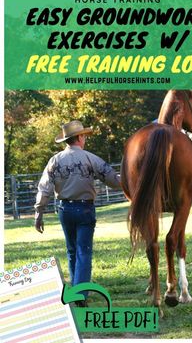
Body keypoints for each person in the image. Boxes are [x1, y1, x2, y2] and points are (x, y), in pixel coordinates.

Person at [34, 120, 121, 306]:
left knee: (72, 250)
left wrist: (38, 212)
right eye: (84, 136)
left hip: (65, 209)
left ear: (66, 140)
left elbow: (44, 188)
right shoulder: (91, 159)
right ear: (80, 137)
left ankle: (75, 288)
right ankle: (80, 294)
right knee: (84, 251)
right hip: (85, 209)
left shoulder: (54, 161)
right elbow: (114, 181)